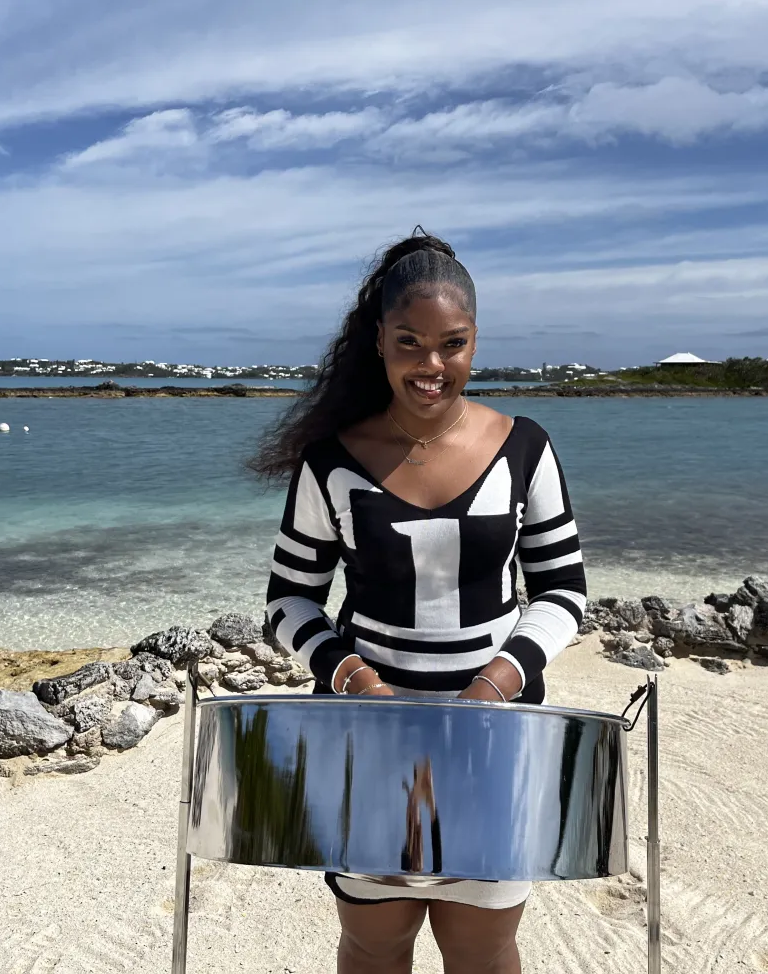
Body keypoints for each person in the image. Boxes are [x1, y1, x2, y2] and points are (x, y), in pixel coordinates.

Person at [250, 227, 587, 974]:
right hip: (368, 746)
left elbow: (563, 590)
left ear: (474, 342)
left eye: (453, 344)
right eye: (410, 342)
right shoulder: (331, 459)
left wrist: (495, 685)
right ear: (379, 342)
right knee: (375, 942)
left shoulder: (525, 446)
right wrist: (357, 681)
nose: (432, 365)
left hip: (496, 746)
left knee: (484, 947)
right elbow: (289, 600)